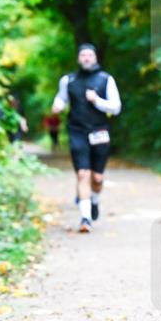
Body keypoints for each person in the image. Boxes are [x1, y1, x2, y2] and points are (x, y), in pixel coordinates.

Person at [52, 43, 122, 233]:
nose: (86, 58)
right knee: (83, 174)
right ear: (78, 58)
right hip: (77, 131)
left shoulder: (105, 79)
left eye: (90, 55)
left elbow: (116, 107)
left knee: (97, 178)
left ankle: (94, 200)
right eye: (83, 55)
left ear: (95, 58)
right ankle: (85, 219)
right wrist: (57, 105)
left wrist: (96, 100)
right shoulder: (69, 80)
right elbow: (61, 98)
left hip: (99, 131)